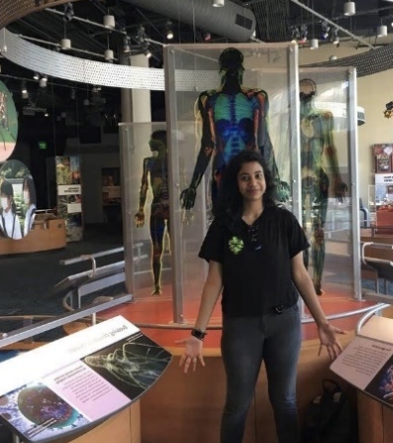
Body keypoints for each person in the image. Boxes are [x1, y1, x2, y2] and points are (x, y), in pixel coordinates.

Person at [179, 150, 344, 443]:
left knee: (285, 401)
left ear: (266, 180)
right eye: (244, 177)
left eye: (258, 175)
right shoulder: (223, 227)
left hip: (285, 322)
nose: (252, 182)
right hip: (241, 325)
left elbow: (300, 274)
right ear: (234, 184)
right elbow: (214, 281)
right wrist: (197, 332)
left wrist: (321, 320)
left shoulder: (284, 221)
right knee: (237, 404)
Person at [182, 48, 288, 213]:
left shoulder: (256, 97)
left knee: (250, 223)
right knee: (225, 227)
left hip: (245, 173)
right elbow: (208, 144)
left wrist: (276, 180)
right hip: (225, 174)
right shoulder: (209, 99)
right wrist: (192, 186)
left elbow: (263, 142)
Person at [299, 78, 346, 295]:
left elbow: (329, 149)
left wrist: (337, 178)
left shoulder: (324, 117)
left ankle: (316, 282)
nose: (305, 96)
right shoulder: (290, 117)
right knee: (300, 234)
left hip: (317, 179)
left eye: (307, 92)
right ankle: (304, 281)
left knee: (317, 232)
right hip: (299, 180)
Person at [135, 130, 171, 295]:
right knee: (157, 249)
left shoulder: (175, 159)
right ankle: (157, 285)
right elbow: (144, 185)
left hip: (170, 207)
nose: (149, 143)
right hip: (158, 206)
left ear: (160, 142)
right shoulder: (148, 162)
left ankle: (173, 283)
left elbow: (182, 184)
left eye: (152, 140)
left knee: (173, 247)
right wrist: (141, 208)